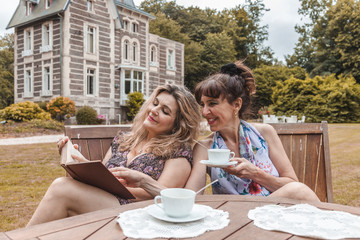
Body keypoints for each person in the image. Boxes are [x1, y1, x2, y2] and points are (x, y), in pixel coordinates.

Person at [112, 60, 320, 202]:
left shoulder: (264, 133)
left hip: (274, 208)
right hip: (238, 217)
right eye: (202, 104)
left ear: (236, 105)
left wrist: (255, 173)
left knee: (298, 189)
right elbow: (192, 198)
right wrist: (146, 182)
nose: (205, 112)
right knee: (299, 191)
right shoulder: (204, 146)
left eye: (212, 104)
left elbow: (290, 184)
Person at [27, 84, 201, 226]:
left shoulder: (178, 151)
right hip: (106, 204)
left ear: (178, 124)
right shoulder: (123, 139)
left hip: (139, 213)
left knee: (62, 188)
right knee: (63, 187)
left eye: (165, 111)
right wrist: (79, 160)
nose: (154, 110)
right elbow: (105, 175)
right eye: (155, 103)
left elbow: (162, 197)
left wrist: (135, 183)